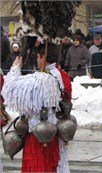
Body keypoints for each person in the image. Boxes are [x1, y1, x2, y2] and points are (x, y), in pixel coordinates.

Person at [1, 41, 72, 172]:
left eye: (38, 57)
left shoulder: (41, 78)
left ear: (43, 57)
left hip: (38, 132)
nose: (37, 60)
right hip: (55, 131)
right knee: (54, 164)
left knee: (38, 165)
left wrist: (15, 68)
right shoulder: (62, 75)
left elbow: (10, 88)